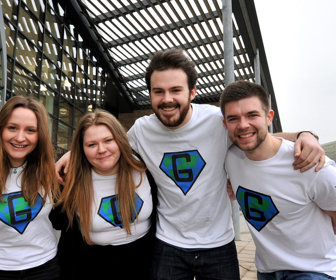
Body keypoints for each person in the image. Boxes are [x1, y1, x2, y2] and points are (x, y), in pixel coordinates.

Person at [55, 49, 325, 280]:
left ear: (192, 92)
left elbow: (258, 136)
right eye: (158, 91)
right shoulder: (140, 130)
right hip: (168, 244)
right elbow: (105, 145)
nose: (167, 98)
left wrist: (304, 135)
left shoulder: (216, 121)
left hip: (218, 243)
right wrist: (74, 154)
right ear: (150, 94)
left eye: (175, 90)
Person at [221, 80, 336, 280]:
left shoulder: (311, 164)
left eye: (252, 115)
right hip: (266, 270)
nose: (243, 125)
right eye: (233, 118)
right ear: (225, 124)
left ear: (269, 117)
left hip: (313, 271)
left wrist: (305, 135)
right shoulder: (231, 157)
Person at [49, 109, 155, 279]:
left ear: (120, 140)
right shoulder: (71, 178)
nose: (101, 149)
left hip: (143, 265)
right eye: (91, 144)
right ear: (81, 149)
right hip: (89, 267)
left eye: (108, 140)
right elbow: (57, 221)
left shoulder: (144, 166)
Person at [0, 96, 60, 280]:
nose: (20, 137)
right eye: (12, 127)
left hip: (45, 268)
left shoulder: (50, 171)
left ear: (39, 135)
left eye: (30, 130)